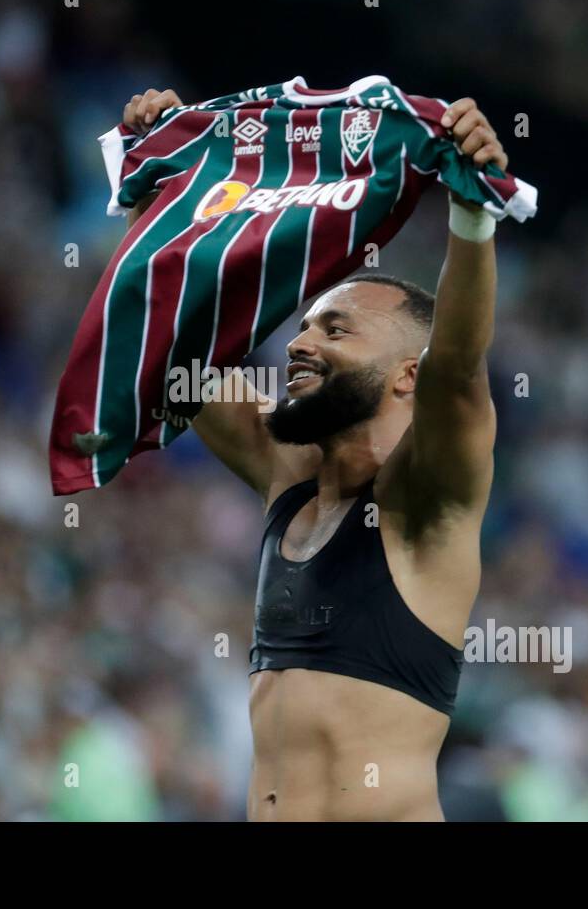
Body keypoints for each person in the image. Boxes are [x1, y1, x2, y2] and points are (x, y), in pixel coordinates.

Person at [122, 88, 506, 821]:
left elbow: (459, 371)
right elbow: (179, 352)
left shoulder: (427, 500)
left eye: (336, 330)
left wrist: (471, 215)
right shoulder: (288, 475)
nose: (299, 343)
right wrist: (163, 191)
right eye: (303, 327)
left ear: (406, 375)